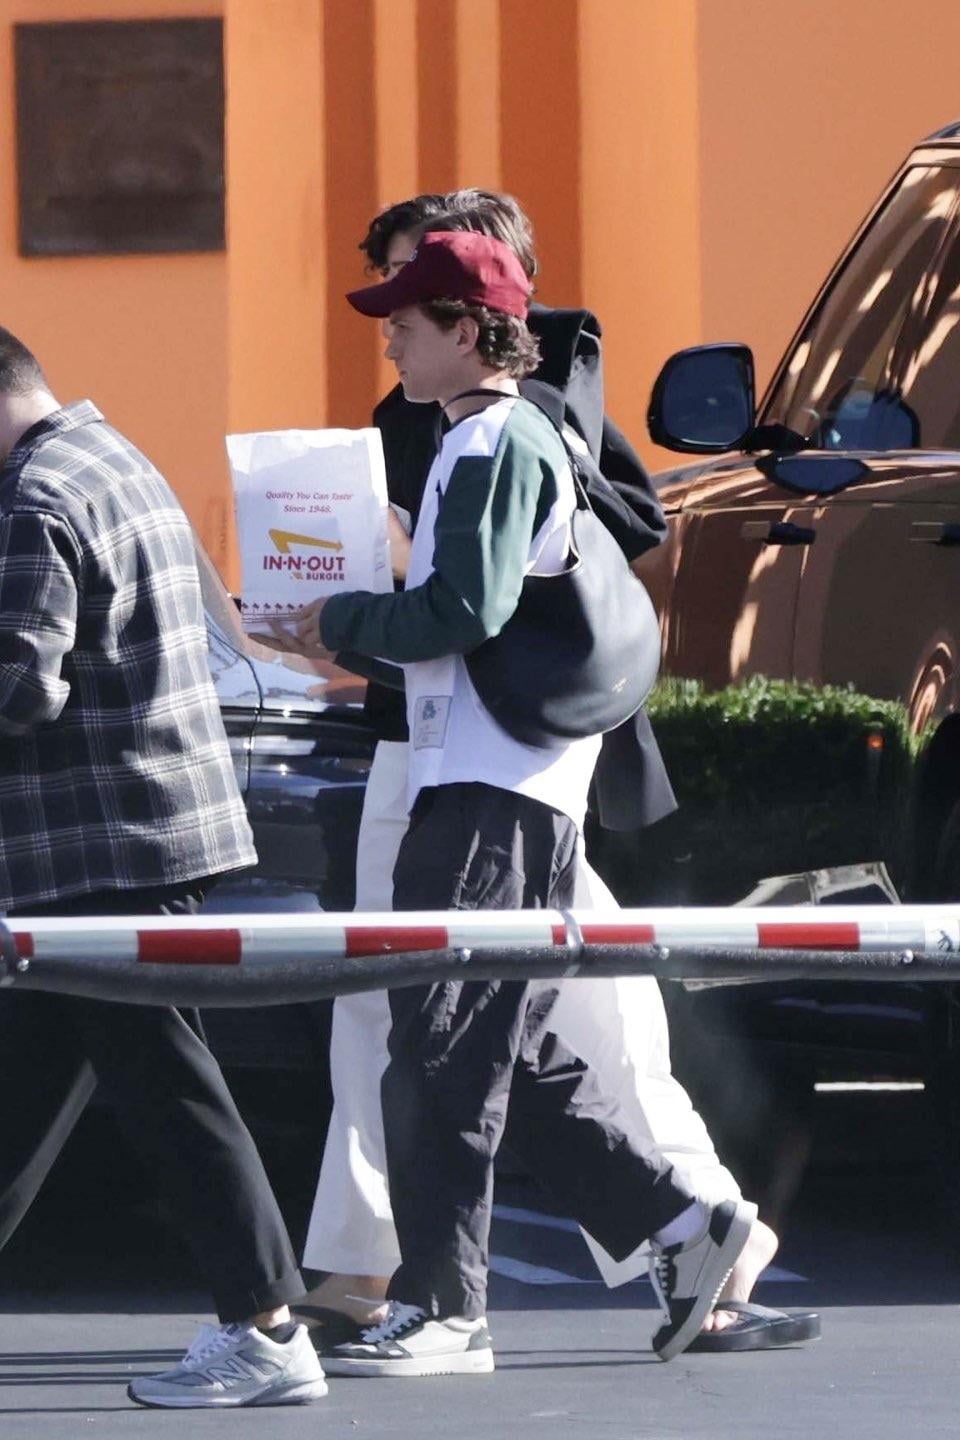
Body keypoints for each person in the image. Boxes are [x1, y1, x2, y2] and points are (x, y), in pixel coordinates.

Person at [296, 192, 815, 1357]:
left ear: (468, 328)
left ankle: (444, 1309)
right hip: (496, 786)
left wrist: (336, 619)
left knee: (444, 1047)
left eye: (408, 320)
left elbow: (461, 611)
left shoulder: (491, 441)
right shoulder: (488, 435)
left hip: (490, 793)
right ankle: (685, 1229)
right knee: (504, 1043)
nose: (389, 338)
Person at [0, 328, 327, 1410]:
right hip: (133, 835)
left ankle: (268, 1328)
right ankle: (266, 1322)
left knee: (166, 1089)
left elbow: (18, 685)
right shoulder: (112, 457)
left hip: (93, 847)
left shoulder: (34, 497)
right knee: (26, 1091)